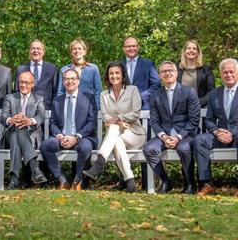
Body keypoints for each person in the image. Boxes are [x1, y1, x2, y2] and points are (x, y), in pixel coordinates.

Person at [195, 58, 238, 197]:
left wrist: (232, 133)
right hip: (220, 134)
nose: (228, 75)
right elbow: (210, 119)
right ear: (221, 74)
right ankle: (206, 183)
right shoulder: (215, 94)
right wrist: (216, 131)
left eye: (231, 72)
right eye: (225, 72)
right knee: (199, 139)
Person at [83, 62, 146, 193]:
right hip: (117, 137)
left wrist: (118, 119)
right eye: (111, 73)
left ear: (123, 75)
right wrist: (118, 124)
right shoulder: (104, 94)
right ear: (107, 76)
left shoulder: (132, 90)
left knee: (113, 129)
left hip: (134, 135)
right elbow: (106, 117)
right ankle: (130, 181)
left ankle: (100, 163)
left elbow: (135, 112)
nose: (114, 75)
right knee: (116, 137)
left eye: (117, 73)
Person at [143, 61, 200, 194]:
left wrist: (178, 137)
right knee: (149, 149)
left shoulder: (189, 92)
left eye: (170, 71)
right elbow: (155, 121)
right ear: (160, 76)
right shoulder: (156, 95)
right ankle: (166, 181)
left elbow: (194, 120)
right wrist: (163, 136)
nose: (167, 73)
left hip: (185, 134)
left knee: (184, 148)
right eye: (164, 71)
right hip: (165, 135)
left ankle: (190, 183)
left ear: (176, 73)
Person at [40, 68, 98, 190]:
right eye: (66, 79)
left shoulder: (88, 98)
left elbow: (92, 123)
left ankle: (77, 181)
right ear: (63, 82)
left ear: (78, 81)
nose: (69, 81)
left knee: (85, 147)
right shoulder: (57, 100)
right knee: (45, 146)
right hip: (62, 137)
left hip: (82, 137)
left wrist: (76, 137)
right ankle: (63, 180)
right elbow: (53, 122)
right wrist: (60, 136)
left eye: (73, 79)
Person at [0, 70, 47, 190]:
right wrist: (11, 119)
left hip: (32, 135)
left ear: (32, 84)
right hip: (10, 135)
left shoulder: (38, 99)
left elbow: (41, 116)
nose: (23, 85)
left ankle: (14, 179)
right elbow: (3, 116)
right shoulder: (9, 98)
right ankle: (35, 168)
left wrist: (30, 121)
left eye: (26, 82)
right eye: (21, 82)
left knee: (18, 133)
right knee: (17, 131)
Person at [58, 39, 103, 109]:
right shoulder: (64, 69)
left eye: (80, 48)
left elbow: (98, 90)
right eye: (74, 49)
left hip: (88, 106)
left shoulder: (93, 68)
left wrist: (96, 107)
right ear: (71, 52)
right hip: (69, 106)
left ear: (84, 52)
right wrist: (59, 107)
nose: (77, 51)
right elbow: (60, 91)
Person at [16, 40, 59, 109]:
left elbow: (55, 91)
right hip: (25, 109)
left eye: (38, 48)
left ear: (43, 52)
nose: (35, 51)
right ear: (29, 51)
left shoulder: (52, 69)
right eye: (33, 48)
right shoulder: (21, 69)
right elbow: (17, 90)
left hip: (46, 108)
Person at [121, 36, 160, 110]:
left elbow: (156, 84)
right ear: (123, 49)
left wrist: (140, 96)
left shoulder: (148, 64)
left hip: (143, 105)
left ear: (138, 48)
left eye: (134, 46)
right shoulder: (118, 65)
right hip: (122, 106)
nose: (131, 48)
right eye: (128, 46)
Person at [176, 40, 216, 108]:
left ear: (198, 53)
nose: (191, 50)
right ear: (184, 52)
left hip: (200, 108)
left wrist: (197, 103)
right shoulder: (176, 69)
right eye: (188, 48)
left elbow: (211, 92)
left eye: (194, 49)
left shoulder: (206, 70)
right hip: (179, 109)